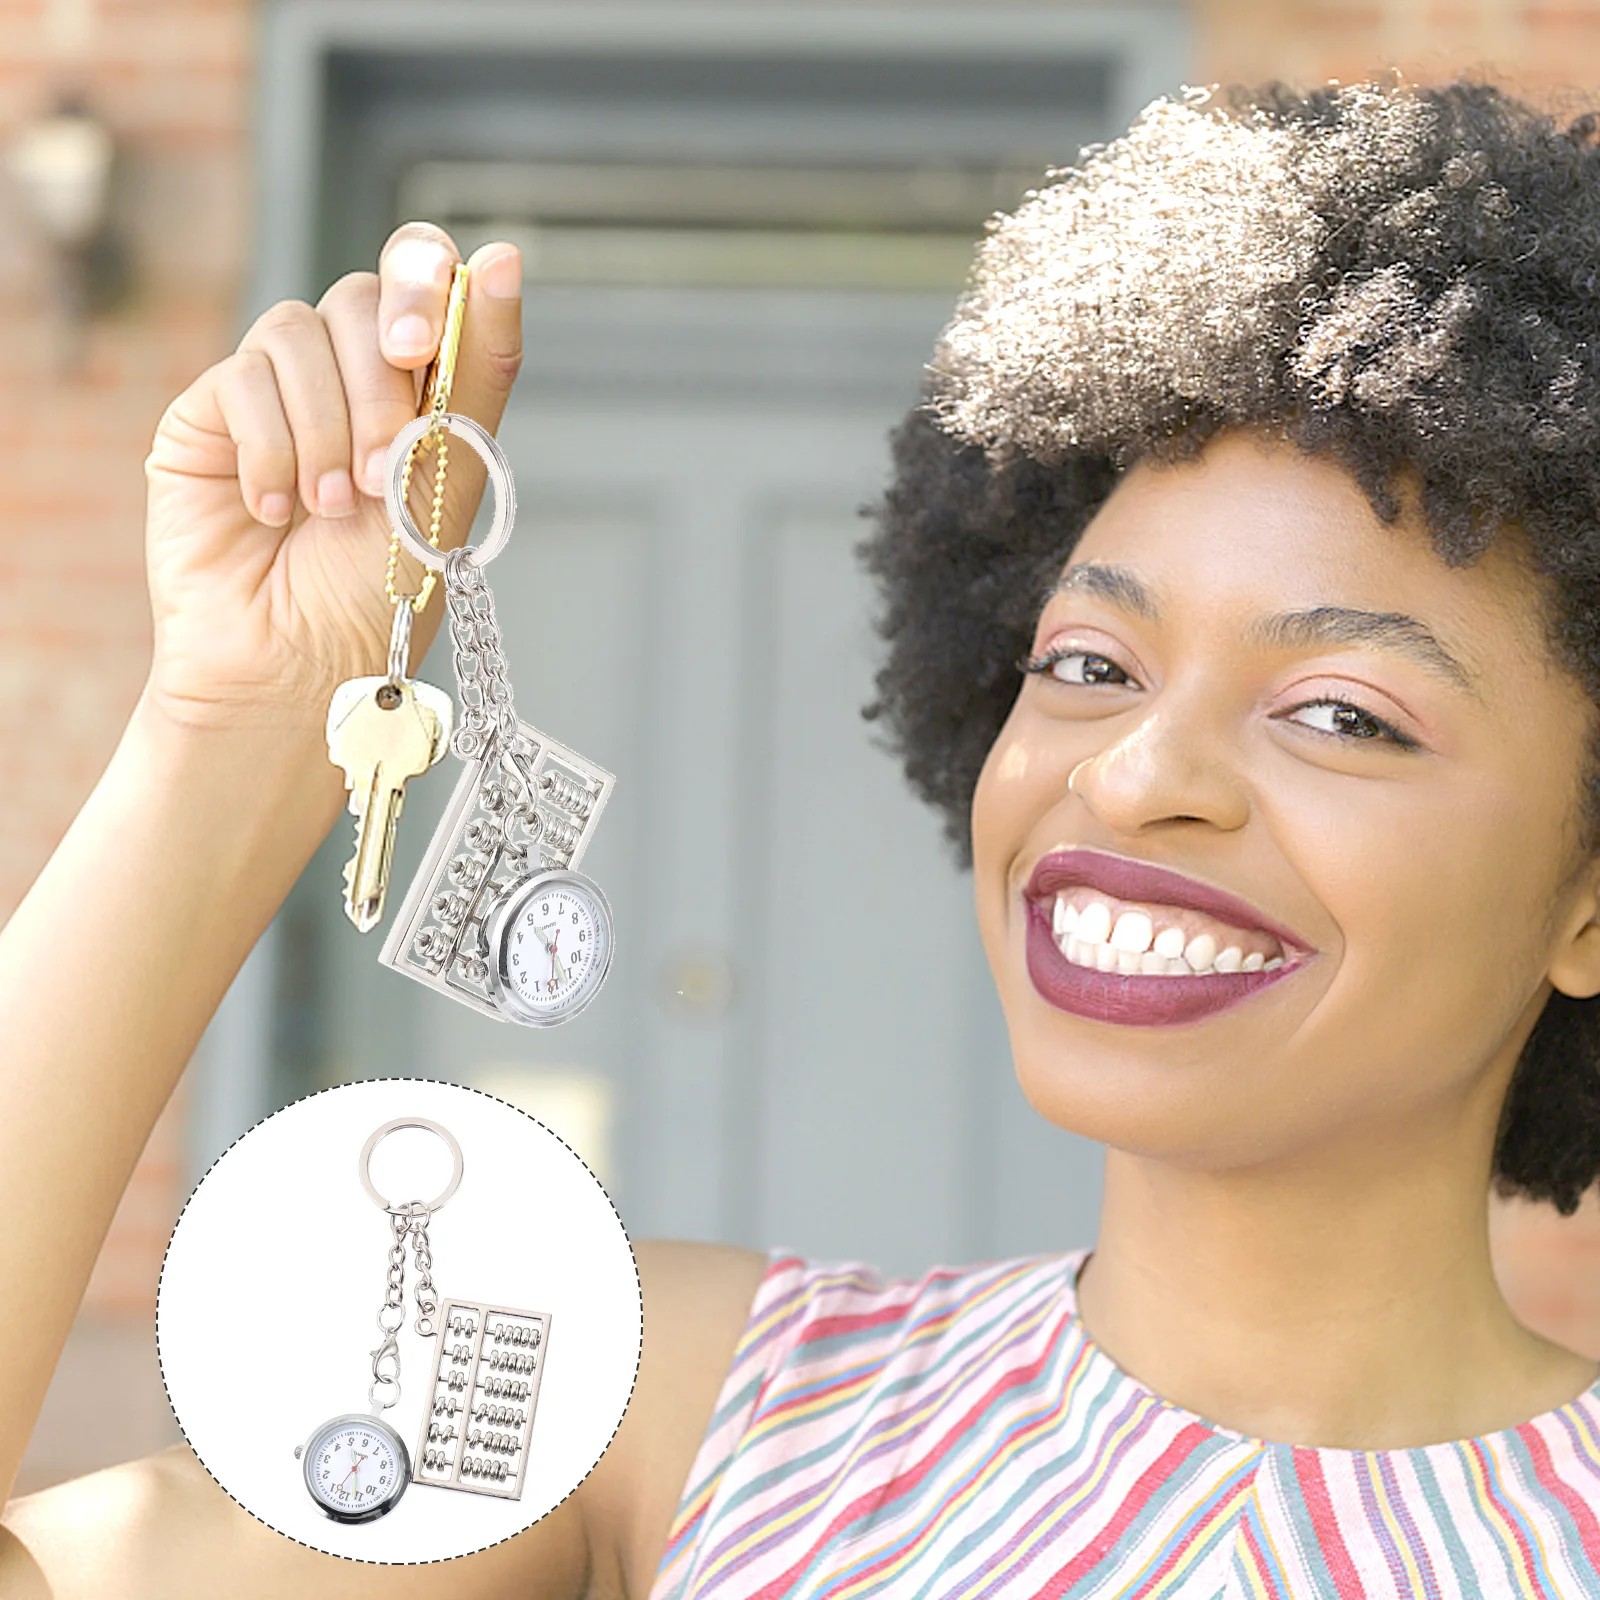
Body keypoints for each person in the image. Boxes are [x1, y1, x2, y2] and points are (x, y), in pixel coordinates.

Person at [7, 74, 1600, 1597]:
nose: (1131, 777)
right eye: (1088, 666)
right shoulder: (681, 1405)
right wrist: (236, 730)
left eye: (1343, 714)